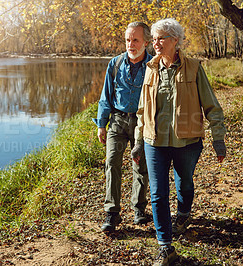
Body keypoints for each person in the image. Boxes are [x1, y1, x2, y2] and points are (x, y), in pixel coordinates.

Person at [131, 18, 227, 265]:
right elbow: (142, 110)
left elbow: (212, 106)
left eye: (161, 38)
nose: (156, 43)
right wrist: (139, 141)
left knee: (184, 182)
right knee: (158, 193)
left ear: (175, 40)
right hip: (155, 142)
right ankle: (165, 246)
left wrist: (219, 139)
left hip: (188, 141)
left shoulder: (194, 68)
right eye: (154, 38)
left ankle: (183, 213)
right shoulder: (150, 68)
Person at [93, 21, 153, 232]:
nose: (130, 44)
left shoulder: (154, 65)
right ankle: (112, 213)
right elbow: (105, 96)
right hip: (117, 121)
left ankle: (139, 209)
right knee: (111, 162)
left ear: (146, 42)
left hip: (142, 122)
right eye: (128, 40)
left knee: (140, 166)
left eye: (135, 40)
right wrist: (102, 124)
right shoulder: (115, 64)